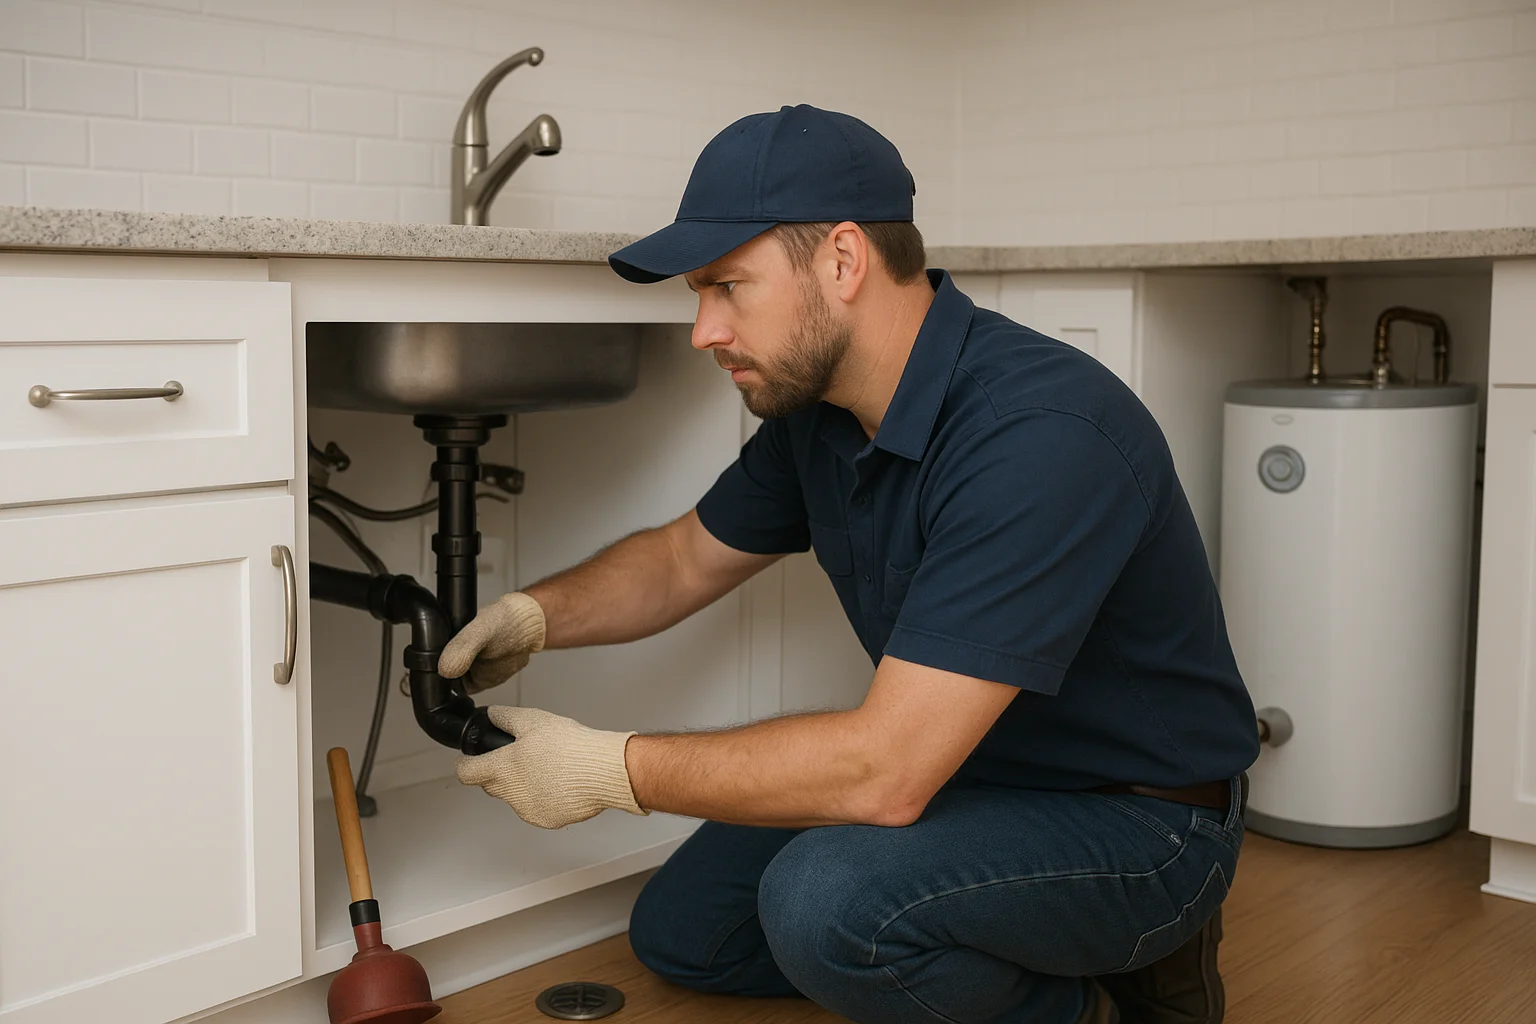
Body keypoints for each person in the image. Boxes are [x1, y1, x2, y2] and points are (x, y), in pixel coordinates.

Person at [441, 103, 1260, 1024]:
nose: (704, 330)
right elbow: (680, 560)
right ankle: (1039, 957)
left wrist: (607, 769)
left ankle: (1105, 998)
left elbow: (884, 769)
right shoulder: (818, 415)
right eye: (697, 296)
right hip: (974, 772)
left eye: (728, 287)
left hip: (1141, 821)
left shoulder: (1038, 435)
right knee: (685, 932)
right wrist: (533, 615)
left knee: (823, 903)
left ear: (841, 259)